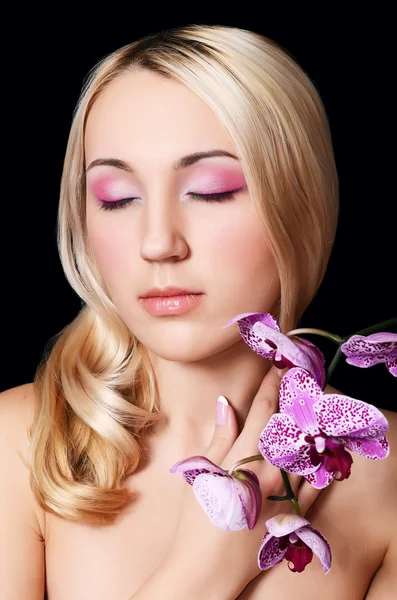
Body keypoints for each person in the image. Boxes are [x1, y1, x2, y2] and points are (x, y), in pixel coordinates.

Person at [0, 24, 395, 600]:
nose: (158, 242)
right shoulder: (22, 445)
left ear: (301, 201)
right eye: (117, 197)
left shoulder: (386, 481)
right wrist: (205, 569)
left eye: (210, 190)